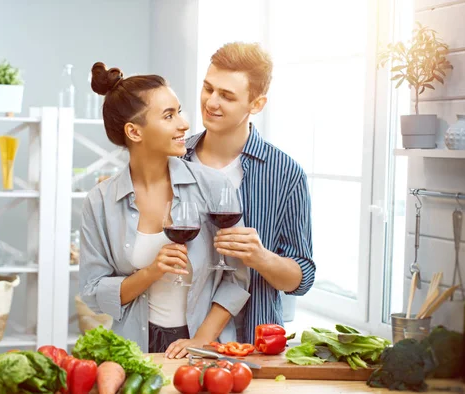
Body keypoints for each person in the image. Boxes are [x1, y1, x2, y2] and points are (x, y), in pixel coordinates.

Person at [79, 62, 250, 358]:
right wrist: (152, 271)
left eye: (179, 111)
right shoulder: (100, 201)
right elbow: (94, 292)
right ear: (134, 131)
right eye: (169, 116)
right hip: (134, 348)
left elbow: (236, 278)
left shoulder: (212, 186)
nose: (183, 124)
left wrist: (201, 339)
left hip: (206, 346)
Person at [184, 42, 315, 344]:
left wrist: (260, 257)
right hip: (175, 338)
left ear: (256, 104)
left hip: (251, 345)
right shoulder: (175, 160)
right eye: (208, 88)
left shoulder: (285, 172)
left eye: (227, 96)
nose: (211, 102)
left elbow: (302, 277)